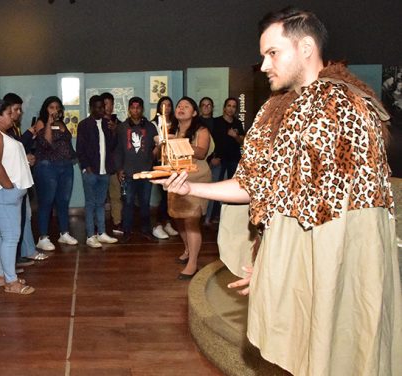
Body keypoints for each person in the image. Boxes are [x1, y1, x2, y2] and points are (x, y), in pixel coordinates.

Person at [154, 7, 401, 375]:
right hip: (302, 253)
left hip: (340, 256)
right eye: (262, 55)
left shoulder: (343, 107)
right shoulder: (279, 109)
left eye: (272, 53)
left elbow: (335, 211)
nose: (264, 64)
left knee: (341, 351)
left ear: (305, 47)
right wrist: (190, 186)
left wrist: (273, 260)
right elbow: (253, 185)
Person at [0, 100, 36, 294]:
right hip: (2, 193)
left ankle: (3, 276)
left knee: (4, 236)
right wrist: (9, 187)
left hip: (4, 193)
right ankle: (11, 282)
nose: (13, 116)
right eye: (9, 113)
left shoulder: (0, 134)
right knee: (11, 237)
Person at [167, 97, 212, 279]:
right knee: (178, 218)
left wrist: (177, 142)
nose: (181, 108)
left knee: (191, 221)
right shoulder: (172, 130)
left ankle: (193, 264)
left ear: (194, 113)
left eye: (186, 106)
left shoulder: (201, 130)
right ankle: (187, 249)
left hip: (196, 180)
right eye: (179, 106)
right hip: (176, 180)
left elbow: (201, 152)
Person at [2, 93, 48, 265]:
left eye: (20, 109)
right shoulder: (1, 132)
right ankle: (15, 258)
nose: (19, 113)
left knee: (26, 215)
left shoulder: (14, 129)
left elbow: (20, 149)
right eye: (15, 109)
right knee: (14, 223)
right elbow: (11, 152)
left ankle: (27, 250)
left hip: (21, 179)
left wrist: (29, 153)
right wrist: (29, 134)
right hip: (11, 181)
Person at [32, 96, 78, 251]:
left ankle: (64, 233)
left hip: (66, 166)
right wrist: (49, 123)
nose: (55, 110)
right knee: (46, 202)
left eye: (57, 107)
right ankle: (43, 237)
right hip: (47, 167)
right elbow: (46, 143)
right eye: (51, 107)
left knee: (63, 201)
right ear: (46, 109)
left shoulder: (62, 123)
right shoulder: (41, 123)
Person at [114, 97, 159, 243]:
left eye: (138, 107)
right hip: (128, 173)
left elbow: (156, 147)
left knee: (145, 203)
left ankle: (146, 230)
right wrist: (119, 169)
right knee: (127, 203)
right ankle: (127, 231)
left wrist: (156, 153)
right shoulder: (121, 128)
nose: (135, 110)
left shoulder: (151, 127)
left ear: (142, 109)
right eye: (132, 108)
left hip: (146, 172)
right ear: (129, 109)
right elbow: (118, 150)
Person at [76, 95, 118, 248]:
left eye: (103, 107)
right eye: (98, 107)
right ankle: (90, 235)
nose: (101, 110)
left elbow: (112, 146)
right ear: (91, 108)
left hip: (104, 171)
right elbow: (80, 148)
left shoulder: (108, 124)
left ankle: (101, 233)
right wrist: (86, 167)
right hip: (91, 171)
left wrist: (114, 132)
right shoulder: (84, 125)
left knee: (101, 203)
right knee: (90, 204)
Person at [150, 96, 179, 239]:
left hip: (173, 164)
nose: (166, 108)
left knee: (171, 196)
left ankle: (167, 223)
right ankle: (157, 225)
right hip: (160, 164)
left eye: (169, 105)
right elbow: (152, 148)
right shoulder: (153, 124)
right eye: (163, 105)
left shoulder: (176, 123)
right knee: (162, 195)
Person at [101, 92, 124, 234]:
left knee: (116, 195)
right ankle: (99, 225)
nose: (108, 107)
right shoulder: (95, 123)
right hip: (100, 166)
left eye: (110, 104)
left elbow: (122, 145)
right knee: (99, 199)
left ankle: (117, 223)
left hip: (115, 166)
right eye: (105, 104)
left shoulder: (120, 124)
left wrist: (116, 130)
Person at [198, 97, 222, 226]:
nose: (206, 107)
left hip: (216, 161)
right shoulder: (196, 123)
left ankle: (208, 218)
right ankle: (199, 218)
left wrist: (217, 158)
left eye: (209, 105)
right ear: (200, 107)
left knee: (212, 191)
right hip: (200, 163)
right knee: (199, 191)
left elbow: (221, 142)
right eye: (203, 105)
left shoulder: (218, 122)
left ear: (212, 107)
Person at [211, 97, 245, 180]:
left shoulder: (238, 123)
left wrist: (235, 136)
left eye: (234, 106)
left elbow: (242, 141)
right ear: (224, 108)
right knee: (216, 185)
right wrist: (212, 158)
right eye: (229, 106)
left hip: (234, 159)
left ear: (236, 109)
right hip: (218, 159)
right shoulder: (216, 121)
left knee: (233, 184)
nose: (231, 109)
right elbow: (209, 142)